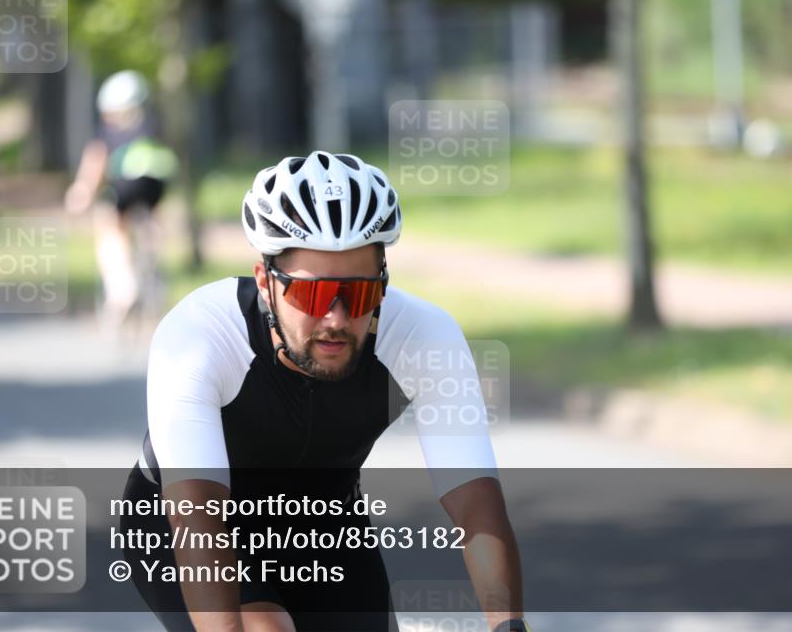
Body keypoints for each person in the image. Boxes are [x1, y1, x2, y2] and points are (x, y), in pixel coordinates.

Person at [119, 151, 530, 632]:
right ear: (265, 283)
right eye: (311, 294)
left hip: (326, 526)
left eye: (357, 294)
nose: (335, 319)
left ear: (383, 285)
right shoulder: (200, 334)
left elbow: (476, 509)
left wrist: (509, 626)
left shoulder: (424, 336)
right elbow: (197, 520)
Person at [64, 69, 177, 333]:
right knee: (149, 220)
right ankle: (153, 269)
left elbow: (93, 169)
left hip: (126, 184)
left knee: (109, 224)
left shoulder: (108, 131)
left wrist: (80, 196)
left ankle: (123, 289)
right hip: (156, 184)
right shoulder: (154, 125)